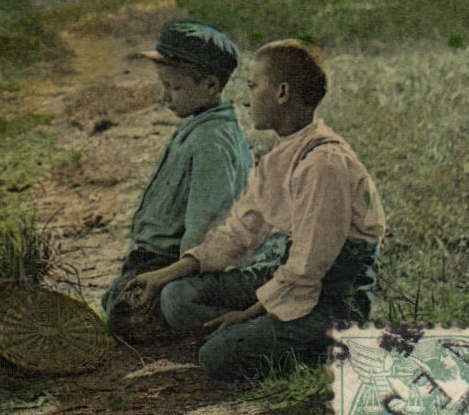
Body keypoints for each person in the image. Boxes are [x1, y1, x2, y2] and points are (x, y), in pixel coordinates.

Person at [124, 39, 387, 385]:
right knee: (176, 297)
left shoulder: (324, 165)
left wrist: (245, 315)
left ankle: (323, 346)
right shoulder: (281, 157)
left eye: (253, 85)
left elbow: (307, 268)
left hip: (334, 298)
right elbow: (237, 234)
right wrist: (162, 276)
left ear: (281, 92)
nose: (247, 99)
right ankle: (259, 334)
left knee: (217, 359)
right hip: (292, 277)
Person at [99, 20, 251, 340]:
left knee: (135, 315)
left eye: (174, 87)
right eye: (164, 85)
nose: (165, 97)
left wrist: (172, 275)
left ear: (211, 84)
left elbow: (205, 223)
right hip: (155, 256)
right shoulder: (197, 125)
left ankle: (239, 323)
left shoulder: (212, 140)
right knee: (114, 302)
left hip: (180, 262)